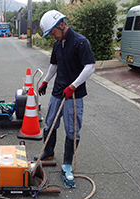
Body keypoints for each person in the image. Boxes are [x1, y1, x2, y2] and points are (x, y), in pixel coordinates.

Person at [34, 10, 95, 169]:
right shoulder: (57, 44)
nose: (53, 36)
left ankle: (67, 163)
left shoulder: (80, 42)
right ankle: (48, 152)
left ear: (61, 24)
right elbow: (54, 65)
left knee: (72, 129)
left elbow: (90, 67)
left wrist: (73, 86)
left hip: (74, 95)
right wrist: (45, 81)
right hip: (58, 91)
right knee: (50, 123)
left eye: (53, 33)